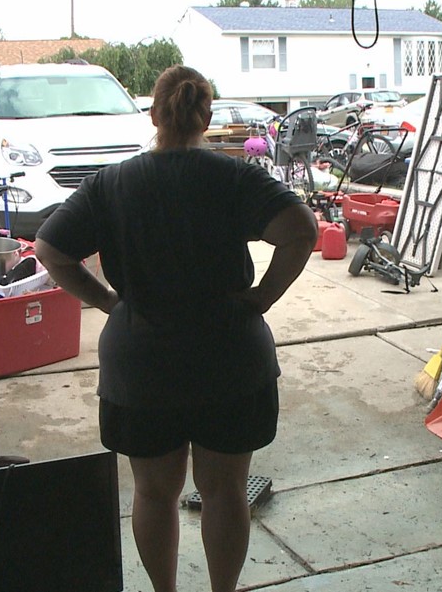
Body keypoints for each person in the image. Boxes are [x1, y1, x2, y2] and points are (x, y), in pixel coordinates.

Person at [35, 65, 318, 592]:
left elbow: (50, 250)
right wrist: (261, 298)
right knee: (226, 491)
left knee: (153, 493)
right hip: (229, 359)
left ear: (153, 114)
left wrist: (107, 302)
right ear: (205, 117)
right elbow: (302, 230)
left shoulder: (112, 182)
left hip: (142, 364)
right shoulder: (234, 176)